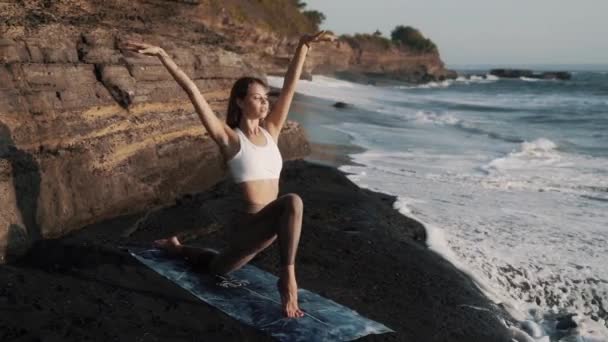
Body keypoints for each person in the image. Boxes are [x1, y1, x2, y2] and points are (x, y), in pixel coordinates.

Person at [123, 31, 335, 318]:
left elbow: (288, 88)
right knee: (293, 201)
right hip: (249, 228)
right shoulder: (230, 139)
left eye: (265, 98)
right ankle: (288, 280)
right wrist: (163, 55)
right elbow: (192, 92)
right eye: (257, 98)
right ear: (239, 101)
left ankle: (177, 248)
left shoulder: (271, 131)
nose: (264, 103)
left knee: (215, 267)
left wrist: (303, 45)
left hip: (269, 230)